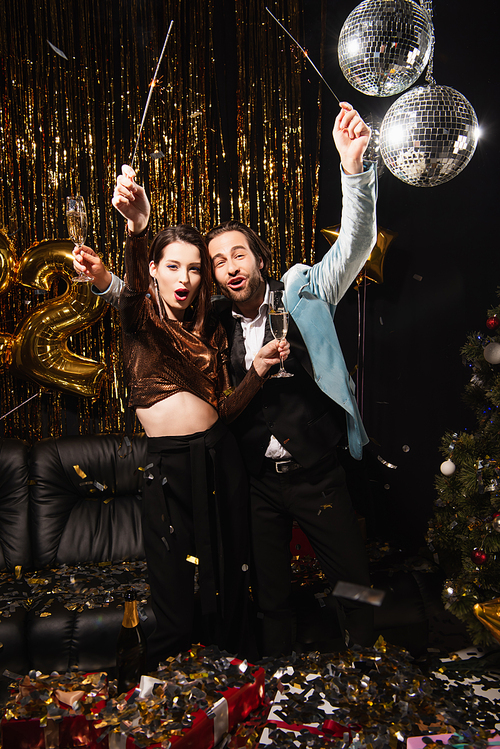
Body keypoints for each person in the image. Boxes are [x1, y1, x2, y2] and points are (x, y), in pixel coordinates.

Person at [74, 101, 378, 656]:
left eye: (239, 254)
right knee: (268, 597)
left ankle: (369, 667)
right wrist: (111, 268)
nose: (229, 266)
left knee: (356, 587)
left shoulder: (305, 292)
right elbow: (145, 307)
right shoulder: (209, 322)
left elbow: (356, 246)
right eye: (217, 261)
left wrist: (354, 170)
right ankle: (277, 685)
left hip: (315, 471)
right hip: (253, 481)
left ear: (259, 259)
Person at [100, 197, 288, 666]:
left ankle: (238, 681)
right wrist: (138, 227)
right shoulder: (139, 319)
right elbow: (125, 292)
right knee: (174, 587)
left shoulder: (212, 329)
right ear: (153, 270)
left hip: (219, 456)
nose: (184, 279)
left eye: (195, 269)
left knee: (229, 579)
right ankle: (162, 692)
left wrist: (258, 373)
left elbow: (223, 410)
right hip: (167, 466)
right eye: (173, 266)